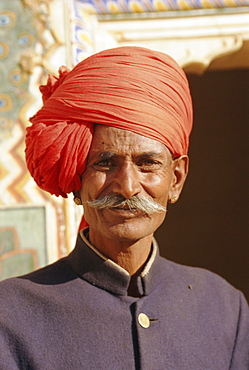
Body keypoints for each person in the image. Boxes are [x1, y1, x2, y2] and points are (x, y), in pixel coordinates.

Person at [0, 46, 248, 370]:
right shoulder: (12, 314)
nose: (127, 186)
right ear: (77, 180)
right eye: (105, 163)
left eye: (147, 164)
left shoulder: (224, 308)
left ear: (176, 179)